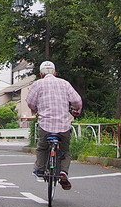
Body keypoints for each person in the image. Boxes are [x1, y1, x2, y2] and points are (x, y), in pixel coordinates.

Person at [25, 61, 82, 189]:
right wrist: (77, 110)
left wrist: (35, 110)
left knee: (42, 148)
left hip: (45, 125)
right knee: (65, 151)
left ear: (41, 74)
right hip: (63, 125)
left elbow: (30, 101)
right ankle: (63, 172)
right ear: (55, 73)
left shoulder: (38, 84)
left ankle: (39, 169)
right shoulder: (64, 83)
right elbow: (77, 100)